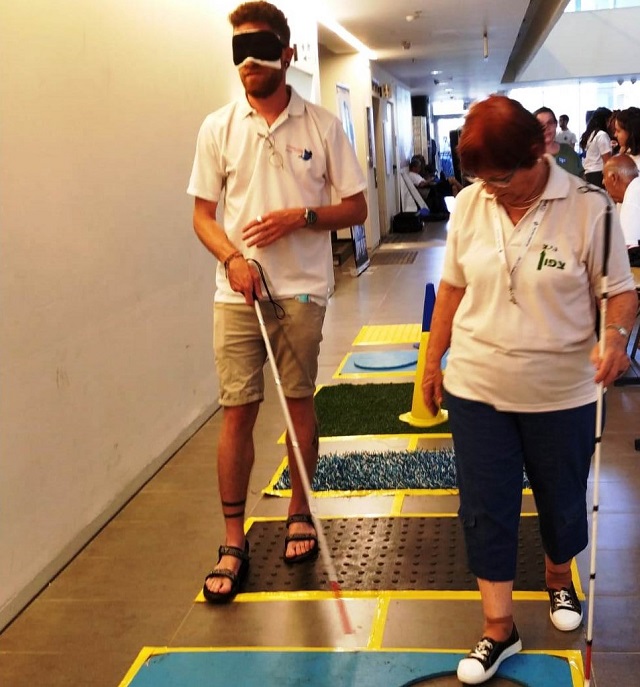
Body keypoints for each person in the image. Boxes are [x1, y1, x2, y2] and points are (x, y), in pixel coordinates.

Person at [421, 95, 637, 685]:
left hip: (561, 390)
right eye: (483, 179)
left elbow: (620, 292)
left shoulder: (590, 206)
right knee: (485, 508)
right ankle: (499, 629)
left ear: (541, 151)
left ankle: (559, 582)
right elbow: (451, 289)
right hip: (478, 386)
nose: (493, 189)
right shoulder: (470, 203)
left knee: (561, 496)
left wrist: (615, 338)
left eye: (503, 177)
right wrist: (432, 361)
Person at [187, 0, 367, 604]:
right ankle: (233, 540)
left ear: (287, 53)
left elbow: (357, 208)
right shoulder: (218, 127)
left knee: (297, 404)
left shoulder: (322, 125)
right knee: (236, 410)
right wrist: (232, 259)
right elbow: (202, 215)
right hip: (237, 292)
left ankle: (297, 512)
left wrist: (302, 216)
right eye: (237, 50)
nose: (247, 63)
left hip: (303, 292)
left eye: (259, 48)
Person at [603, 153, 640, 248]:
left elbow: (629, 255)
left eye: (604, 176)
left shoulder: (633, 196)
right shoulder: (636, 187)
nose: (603, 182)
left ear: (614, 178)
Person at [534, 107, 583, 178]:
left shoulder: (569, 152)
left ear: (556, 124)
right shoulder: (530, 158)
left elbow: (581, 181)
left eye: (550, 122)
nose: (546, 127)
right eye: (540, 125)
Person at [580, 107, 613, 187]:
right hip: (598, 174)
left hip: (589, 174)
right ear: (605, 120)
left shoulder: (593, 134)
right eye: (610, 120)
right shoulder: (602, 135)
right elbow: (608, 162)